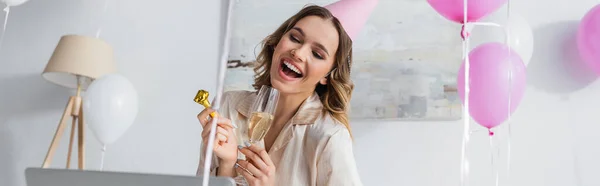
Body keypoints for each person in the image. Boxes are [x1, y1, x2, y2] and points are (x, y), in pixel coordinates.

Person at [197, 1, 378, 185]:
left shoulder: (329, 137)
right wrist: (226, 168)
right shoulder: (229, 107)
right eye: (296, 38)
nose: (298, 53)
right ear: (277, 43)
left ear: (327, 76)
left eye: (317, 54)